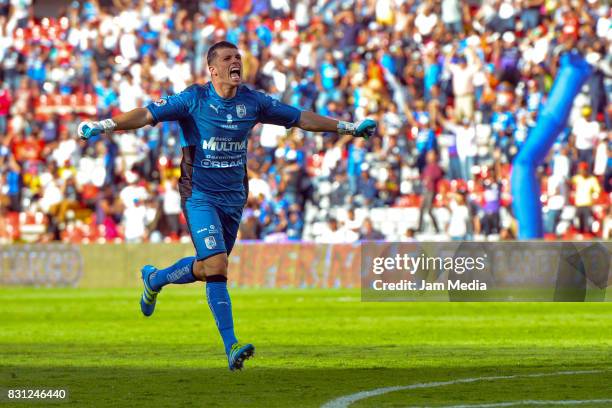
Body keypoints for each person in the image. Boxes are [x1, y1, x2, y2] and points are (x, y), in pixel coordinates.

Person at [76, 41, 376, 371]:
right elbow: (147, 114)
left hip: (234, 198)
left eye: (238, 57)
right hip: (199, 195)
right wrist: (105, 125)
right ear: (213, 69)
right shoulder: (194, 99)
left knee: (207, 268)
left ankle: (156, 279)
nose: (236, 62)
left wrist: (348, 127)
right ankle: (231, 346)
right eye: (228, 58)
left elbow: (301, 118)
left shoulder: (253, 101)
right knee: (217, 266)